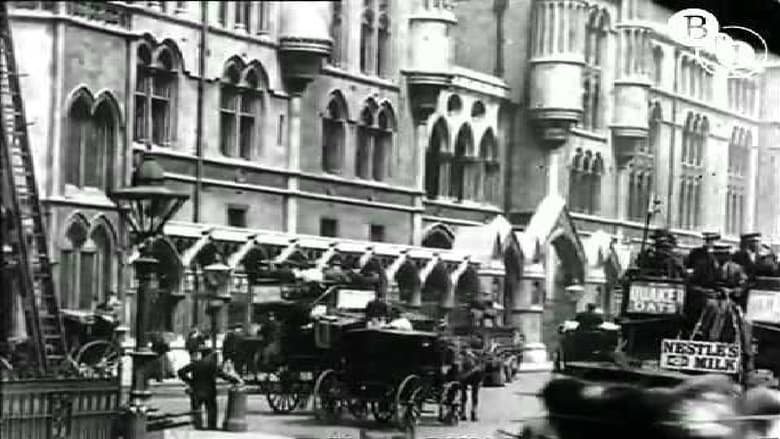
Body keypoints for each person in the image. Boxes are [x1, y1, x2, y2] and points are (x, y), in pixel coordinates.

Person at [178, 347, 243, 430]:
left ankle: (198, 426)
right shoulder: (212, 365)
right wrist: (235, 380)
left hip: (196, 390)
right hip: (209, 391)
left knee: (197, 410)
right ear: (209, 355)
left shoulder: (195, 364)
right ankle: (211, 427)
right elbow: (223, 375)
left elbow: (180, 372)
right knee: (211, 410)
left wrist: (190, 381)